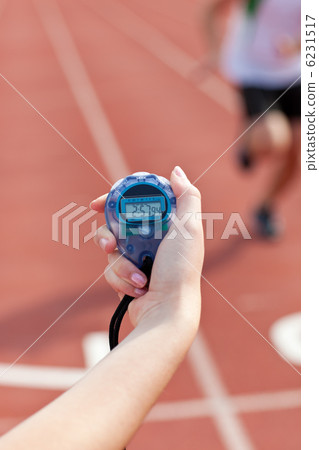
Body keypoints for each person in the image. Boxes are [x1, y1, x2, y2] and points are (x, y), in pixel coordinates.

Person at [0, 167, 204, 450]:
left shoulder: (123, 207)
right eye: (137, 210)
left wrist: (167, 310)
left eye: (148, 209)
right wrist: (169, 312)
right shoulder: (159, 202)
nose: (143, 216)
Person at [200, 0, 301, 237]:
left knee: (300, 151)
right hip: (253, 71)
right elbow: (210, 12)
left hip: (294, 73)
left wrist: (298, 45)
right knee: (275, 138)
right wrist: (214, 53)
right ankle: (250, 139)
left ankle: (265, 207)